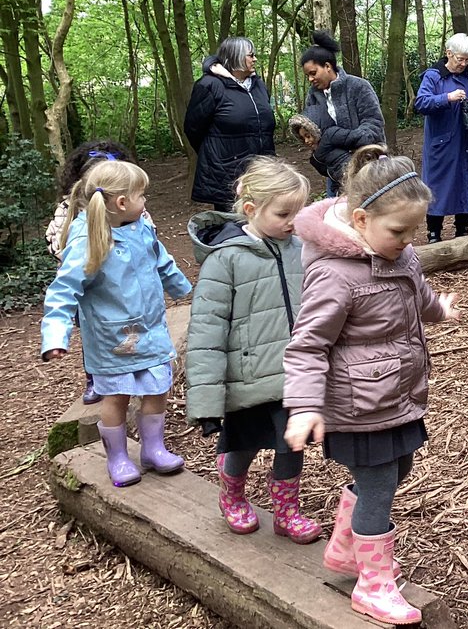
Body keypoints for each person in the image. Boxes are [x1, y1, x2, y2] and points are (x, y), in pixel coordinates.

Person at [283, 147, 461, 625]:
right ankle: (372, 583)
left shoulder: (399, 255)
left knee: (397, 467)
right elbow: (306, 346)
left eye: (414, 232)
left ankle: (345, 547)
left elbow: (416, 293)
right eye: (398, 232)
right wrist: (303, 406)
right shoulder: (334, 274)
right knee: (380, 484)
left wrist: (438, 310)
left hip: (397, 393)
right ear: (360, 220)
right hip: (359, 404)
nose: (407, 242)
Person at [186, 157, 320, 542]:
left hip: (294, 375)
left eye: (299, 212)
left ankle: (286, 511)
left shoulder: (302, 249)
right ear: (251, 209)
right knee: (243, 445)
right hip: (246, 379)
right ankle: (231, 493)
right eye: (283, 213)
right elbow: (206, 333)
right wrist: (206, 403)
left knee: (292, 444)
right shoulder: (225, 259)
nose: (293, 221)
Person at [41, 159, 193, 488]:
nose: (146, 201)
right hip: (114, 339)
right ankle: (118, 456)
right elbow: (62, 291)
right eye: (142, 195)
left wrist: (182, 288)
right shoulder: (87, 240)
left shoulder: (141, 226)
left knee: (157, 388)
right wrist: (56, 335)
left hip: (150, 328)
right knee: (116, 397)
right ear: (121, 203)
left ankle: (153, 448)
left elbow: (161, 260)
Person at [45, 140, 156, 405]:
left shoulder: (133, 209)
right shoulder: (69, 208)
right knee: (94, 332)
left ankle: (138, 367)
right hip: (90, 288)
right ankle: (95, 377)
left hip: (127, 284)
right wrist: (92, 253)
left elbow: (149, 238)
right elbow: (56, 241)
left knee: (133, 326)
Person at [414, 33, 468, 243]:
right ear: (449, 54)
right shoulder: (433, 76)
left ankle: (463, 228)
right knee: (437, 186)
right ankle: (434, 232)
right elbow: (421, 103)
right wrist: (446, 98)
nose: (464, 64)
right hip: (442, 143)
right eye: (460, 59)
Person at [184, 36, 276, 211]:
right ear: (235, 57)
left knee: (263, 224)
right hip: (228, 174)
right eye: (250, 55)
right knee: (233, 229)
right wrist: (217, 155)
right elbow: (193, 129)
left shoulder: (258, 86)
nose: (255, 59)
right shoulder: (210, 85)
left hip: (262, 171)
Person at [300, 31, 386, 196]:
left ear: (327, 66)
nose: (310, 79)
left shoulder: (358, 86)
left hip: (371, 168)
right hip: (336, 173)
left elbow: (373, 125)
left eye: (313, 73)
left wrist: (341, 138)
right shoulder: (312, 96)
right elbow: (316, 135)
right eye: (307, 76)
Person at [288, 105, 353, 195]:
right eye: (303, 138)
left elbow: (358, 138)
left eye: (308, 136)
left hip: (357, 179)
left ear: (315, 130)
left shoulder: (331, 135)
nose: (306, 141)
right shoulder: (315, 159)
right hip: (342, 188)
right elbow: (331, 175)